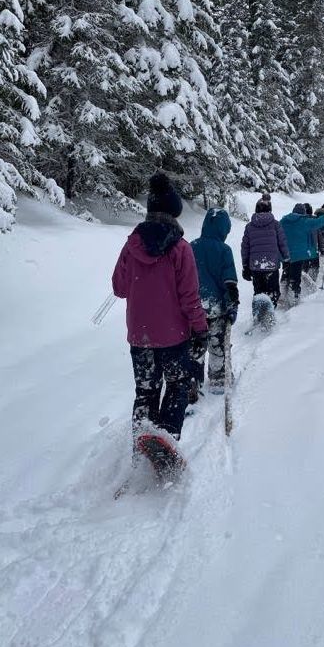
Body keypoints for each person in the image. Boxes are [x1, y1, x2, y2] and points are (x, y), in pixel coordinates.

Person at [112, 172, 208, 453]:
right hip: (174, 336)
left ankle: (143, 443)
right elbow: (190, 296)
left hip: (139, 336)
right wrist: (200, 328)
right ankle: (165, 442)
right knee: (177, 386)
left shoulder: (131, 245)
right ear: (174, 213)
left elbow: (119, 288)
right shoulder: (180, 248)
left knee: (145, 391)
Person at [190, 208, 239, 396]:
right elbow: (229, 282)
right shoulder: (224, 250)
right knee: (218, 345)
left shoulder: (191, 246)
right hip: (217, 308)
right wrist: (232, 306)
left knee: (195, 345)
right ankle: (218, 378)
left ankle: (192, 381)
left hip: (195, 308)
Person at [241, 198, 289, 309]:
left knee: (258, 292)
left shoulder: (249, 227)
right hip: (271, 264)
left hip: (256, 266)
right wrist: (286, 259)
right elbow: (282, 243)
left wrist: (245, 266)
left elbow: (245, 248)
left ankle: (259, 315)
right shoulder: (276, 225)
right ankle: (270, 314)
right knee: (273, 291)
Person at [279, 203, 324, 300]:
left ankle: (282, 292)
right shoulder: (304, 221)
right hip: (298, 254)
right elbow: (317, 223)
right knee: (295, 276)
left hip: (285, 253)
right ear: (303, 212)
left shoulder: (283, 221)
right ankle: (294, 296)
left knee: (286, 272)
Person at [303, 203, 320, 282]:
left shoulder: (300, 222)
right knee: (314, 268)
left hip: (303, 252)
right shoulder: (316, 221)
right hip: (314, 251)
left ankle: (304, 286)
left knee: (304, 270)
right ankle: (312, 284)